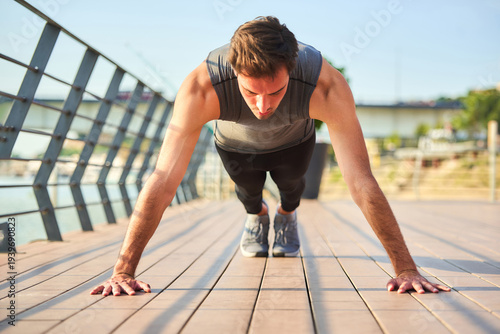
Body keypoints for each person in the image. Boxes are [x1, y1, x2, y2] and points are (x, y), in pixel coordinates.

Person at [90, 16, 450, 296]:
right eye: (251, 92)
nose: (263, 106)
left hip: (294, 141)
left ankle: (286, 215)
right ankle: (258, 217)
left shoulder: (326, 85)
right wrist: (123, 271)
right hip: (235, 145)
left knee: (292, 189)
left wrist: (406, 269)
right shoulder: (201, 87)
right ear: (233, 71)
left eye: (275, 92)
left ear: (291, 70)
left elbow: (359, 180)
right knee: (248, 194)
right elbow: (164, 178)